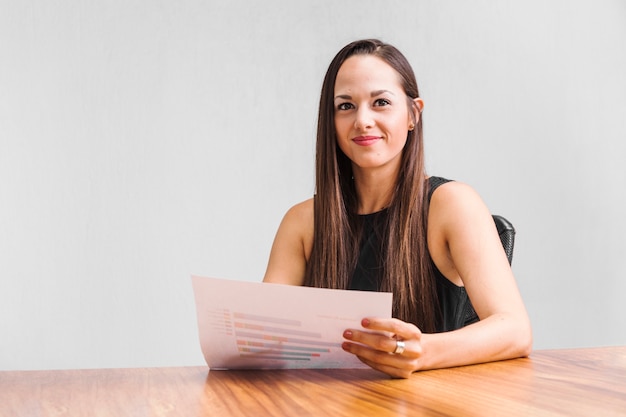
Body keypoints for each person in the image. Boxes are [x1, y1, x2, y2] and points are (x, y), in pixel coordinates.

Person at [263, 39, 532, 378]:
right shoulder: (302, 222)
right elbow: (263, 334)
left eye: (381, 103)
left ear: (412, 114)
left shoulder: (451, 204)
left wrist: (422, 352)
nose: (362, 121)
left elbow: (515, 330)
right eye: (345, 106)